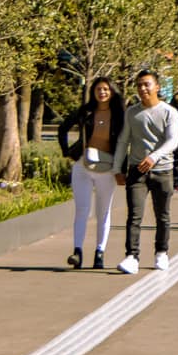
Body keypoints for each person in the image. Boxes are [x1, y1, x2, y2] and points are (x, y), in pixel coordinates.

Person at [57, 77, 126, 270]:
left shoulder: (120, 114)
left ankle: (99, 253)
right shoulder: (86, 111)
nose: (102, 92)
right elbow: (63, 128)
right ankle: (77, 251)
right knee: (82, 210)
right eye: (98, 89)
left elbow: (124, 142)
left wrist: (122, 169)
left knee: (103, 212)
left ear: (112, 91)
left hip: (107, 168)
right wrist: (68, 151)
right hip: (83, 165)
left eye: (105, 89)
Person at [118, 70, 178, 274]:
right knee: (134, 215)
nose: (142, 89)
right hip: (137, 171)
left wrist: (154, 157)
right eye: (139, 85)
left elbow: (172, 140)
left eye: (146, 84)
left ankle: (161, 253)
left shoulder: (169, 112)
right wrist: (117, 167)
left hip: (162, 171)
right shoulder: (131, 112)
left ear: (157, 87)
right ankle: (131, 256)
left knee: (162, 215)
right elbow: (123, 140)